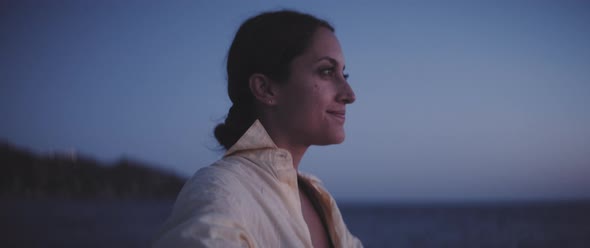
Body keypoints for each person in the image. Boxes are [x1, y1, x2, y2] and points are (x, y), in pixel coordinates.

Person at [153, 9, 362, 248]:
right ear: (265, 89)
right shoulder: (221, 190)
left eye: (344, 74)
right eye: (326, 71)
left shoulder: (317, 196)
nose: (349, 94)